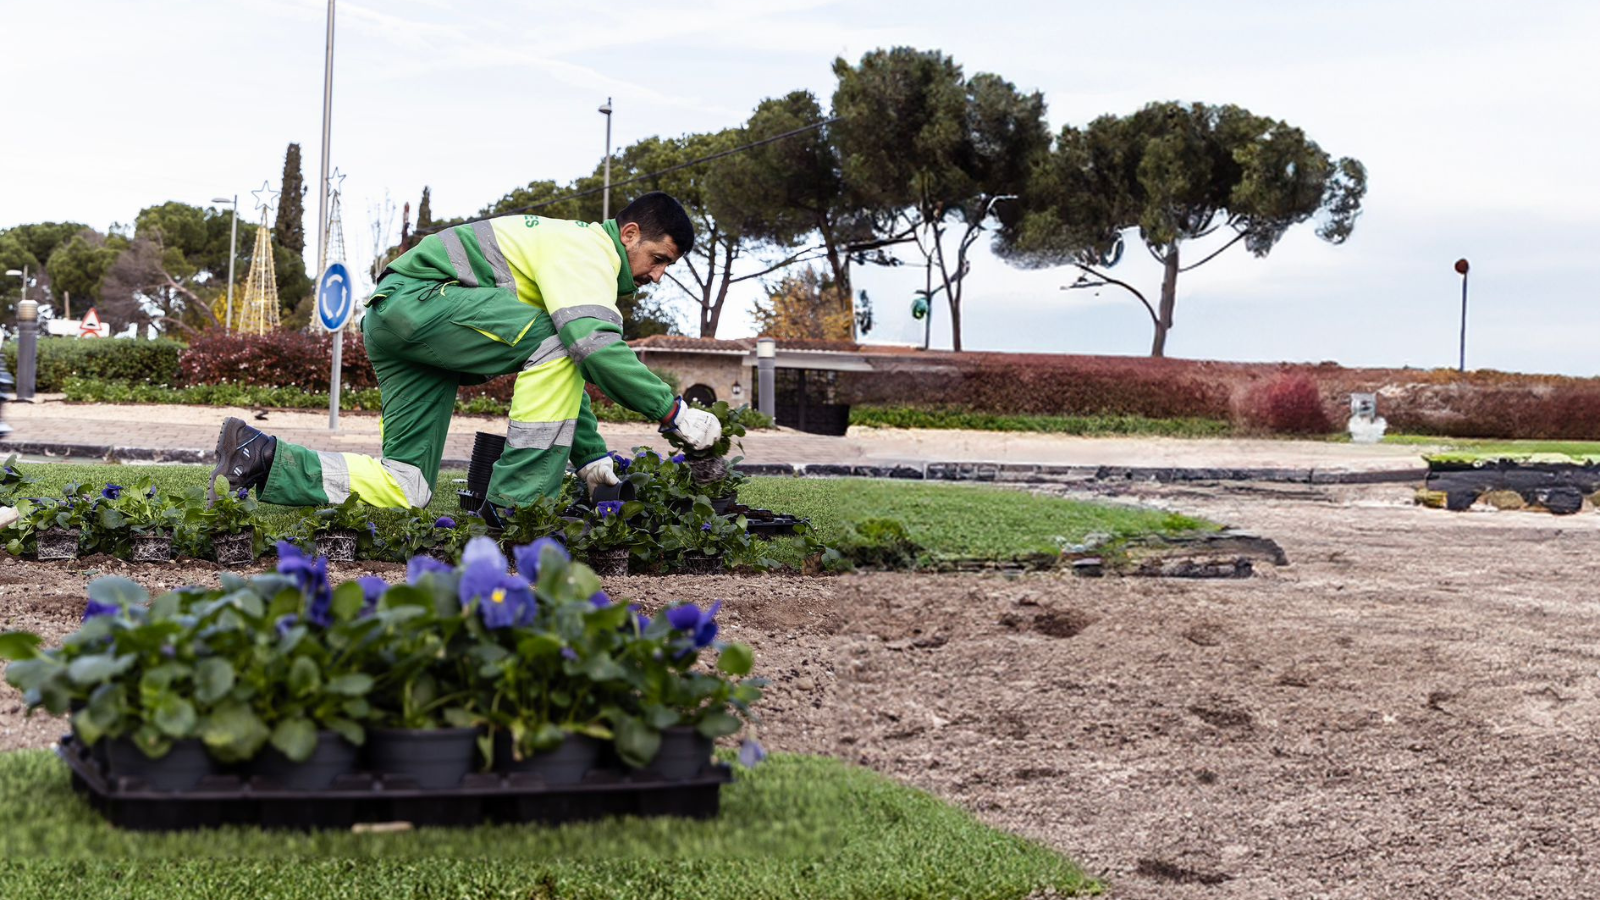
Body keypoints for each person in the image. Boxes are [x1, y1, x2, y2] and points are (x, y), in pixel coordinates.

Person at [207, 191, 719, 518]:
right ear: (629, 234)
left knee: (408, 487)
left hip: (397, 321)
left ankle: (258, 455)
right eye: (658, 259)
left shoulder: (576, 255)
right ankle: (513, 506)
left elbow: (565, 367)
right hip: (422, 303)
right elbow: (595, 351)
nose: (657, 275)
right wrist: (675, 414)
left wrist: (590, 459)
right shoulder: (587, 251)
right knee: (562, 342)